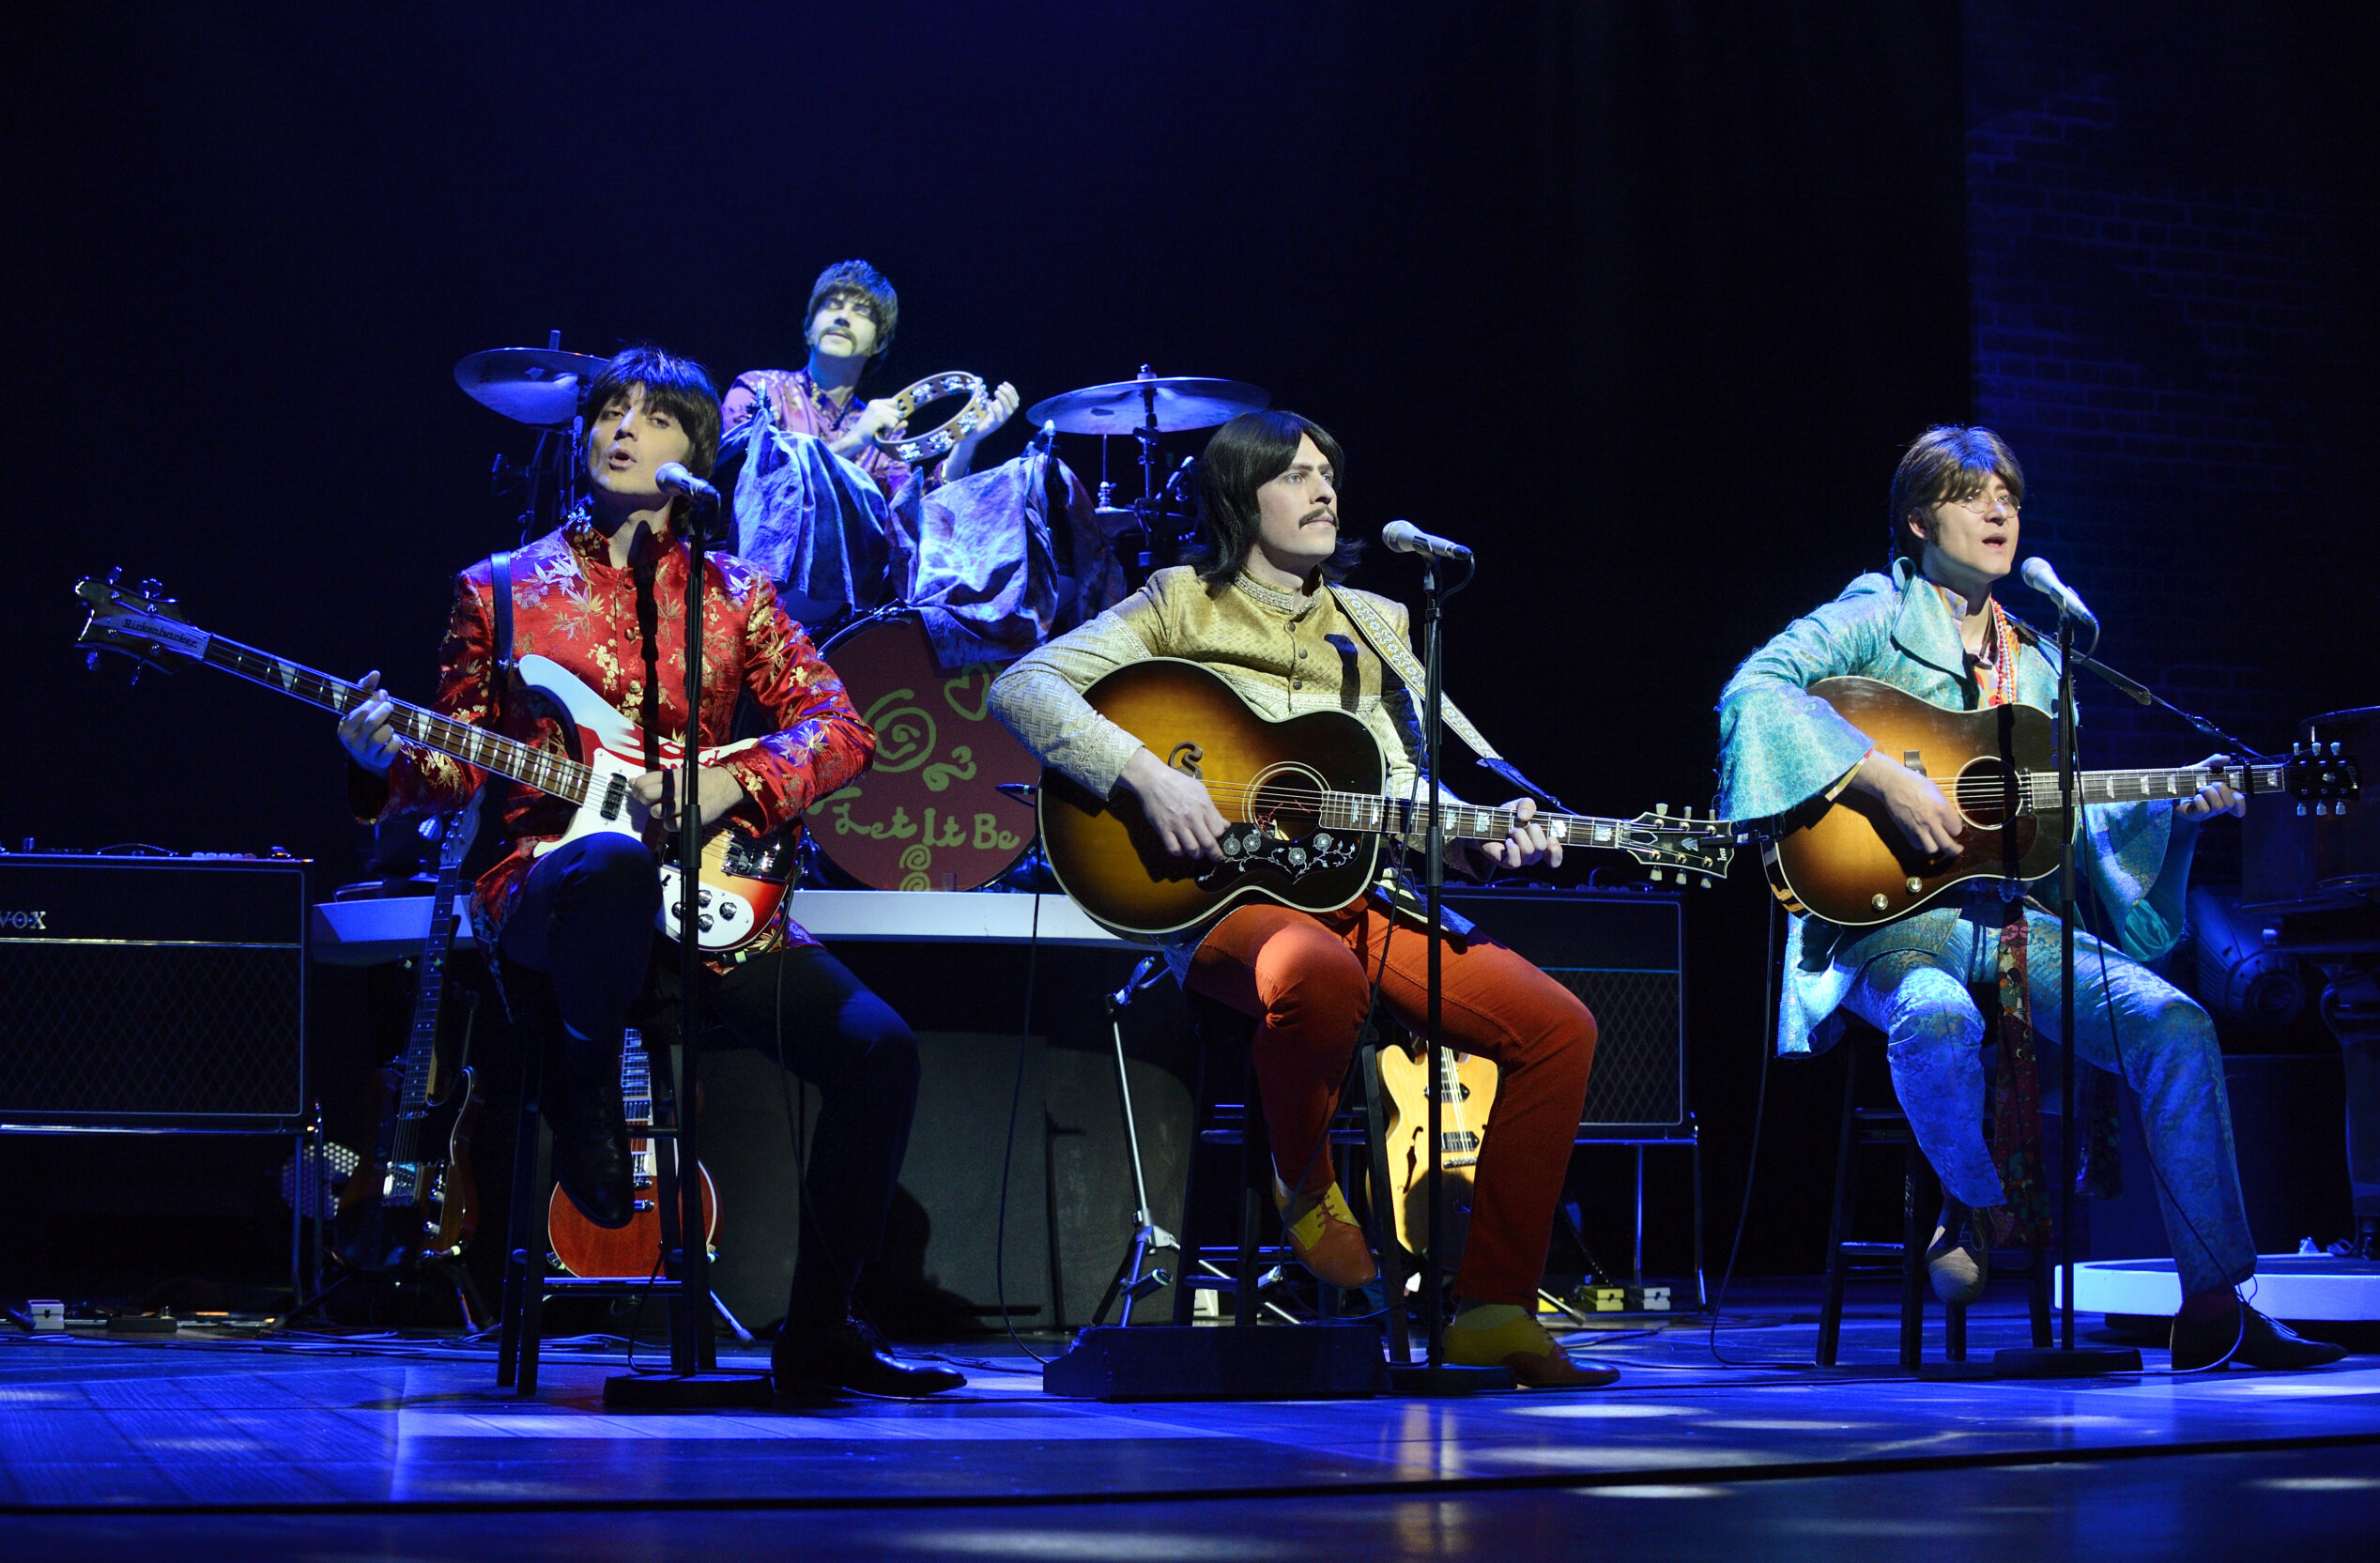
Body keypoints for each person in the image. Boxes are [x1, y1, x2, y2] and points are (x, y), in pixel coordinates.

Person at [337, 345, 962, 1398]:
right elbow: (451, 763)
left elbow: (842, 727)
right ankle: (585, 1087)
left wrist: (732, 787)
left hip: (707, 897)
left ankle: (818, 1332)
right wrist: (380, 760)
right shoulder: (499, 590)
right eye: (608, 412)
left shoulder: (735, 593)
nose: (622, 428)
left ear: (696, 453)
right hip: (552, 888)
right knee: (610, 864)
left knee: (878, 1051)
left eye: (655, 416)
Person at [989, 410, 1615, 1388]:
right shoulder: (1175, 601)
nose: (1325, 491)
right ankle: (1305, 1175)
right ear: (1242, 500)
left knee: (1558, 1028)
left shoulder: (1379, 622)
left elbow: (1400, 781)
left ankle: (1492, 1307)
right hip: (1223, 900)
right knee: (1312, 973)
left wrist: (1480, 837)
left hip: (1365, 891)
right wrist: (1144, 775)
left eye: (1328, 472)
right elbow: (1025, 688)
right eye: (1296, 476)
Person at [1716, 424, 2342, 1371]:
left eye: (2006, 491)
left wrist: (2181, 811)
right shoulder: (1871, 616)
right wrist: (1880, 776)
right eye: (1972, 494)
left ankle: (2217, 1301)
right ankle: (1979, 1201)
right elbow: (1751, 695)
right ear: (1920, 520)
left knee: (2172, 1024)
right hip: (1890, 923)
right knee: (1932, 1023)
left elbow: (2067, 828)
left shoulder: (2039, 660)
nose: (1999, 509)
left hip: (2013, 920)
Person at [720, 258, 1021, 499]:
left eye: (860, 311)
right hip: (753, 572)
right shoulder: (759, 390)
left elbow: (912, 519)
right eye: (832, 305)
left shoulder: (883, 431)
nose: (842, 317)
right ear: (809, 328)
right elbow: (744, 484)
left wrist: (964, 442)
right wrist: (855, 440)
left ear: (879, 342)